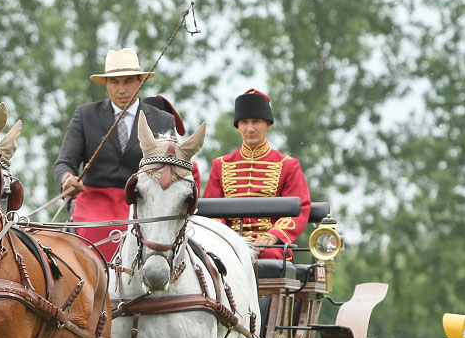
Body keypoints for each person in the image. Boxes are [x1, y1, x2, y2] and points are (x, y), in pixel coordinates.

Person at [53, 48, 178, 261]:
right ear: (106, 85)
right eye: (114, 82)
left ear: (140, 81)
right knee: (94, 230)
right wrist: (67, 180)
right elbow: (64, 163)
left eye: (129, 81)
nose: (121, 89)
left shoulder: (162, 120)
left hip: (141, 201)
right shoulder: (85, 115)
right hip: (93, 200)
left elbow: (172, 170)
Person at [202, 89, 311, 260]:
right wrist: (227, 239)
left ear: (268, 125)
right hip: (229, 244)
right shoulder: (220, 165)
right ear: (238, 127)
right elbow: (212, 213)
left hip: (271, 247)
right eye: (244, 122)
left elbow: (301, 207)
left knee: (269, 254)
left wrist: (273, 235)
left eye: (256, 122)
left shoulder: (288, 165)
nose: (250, 128)